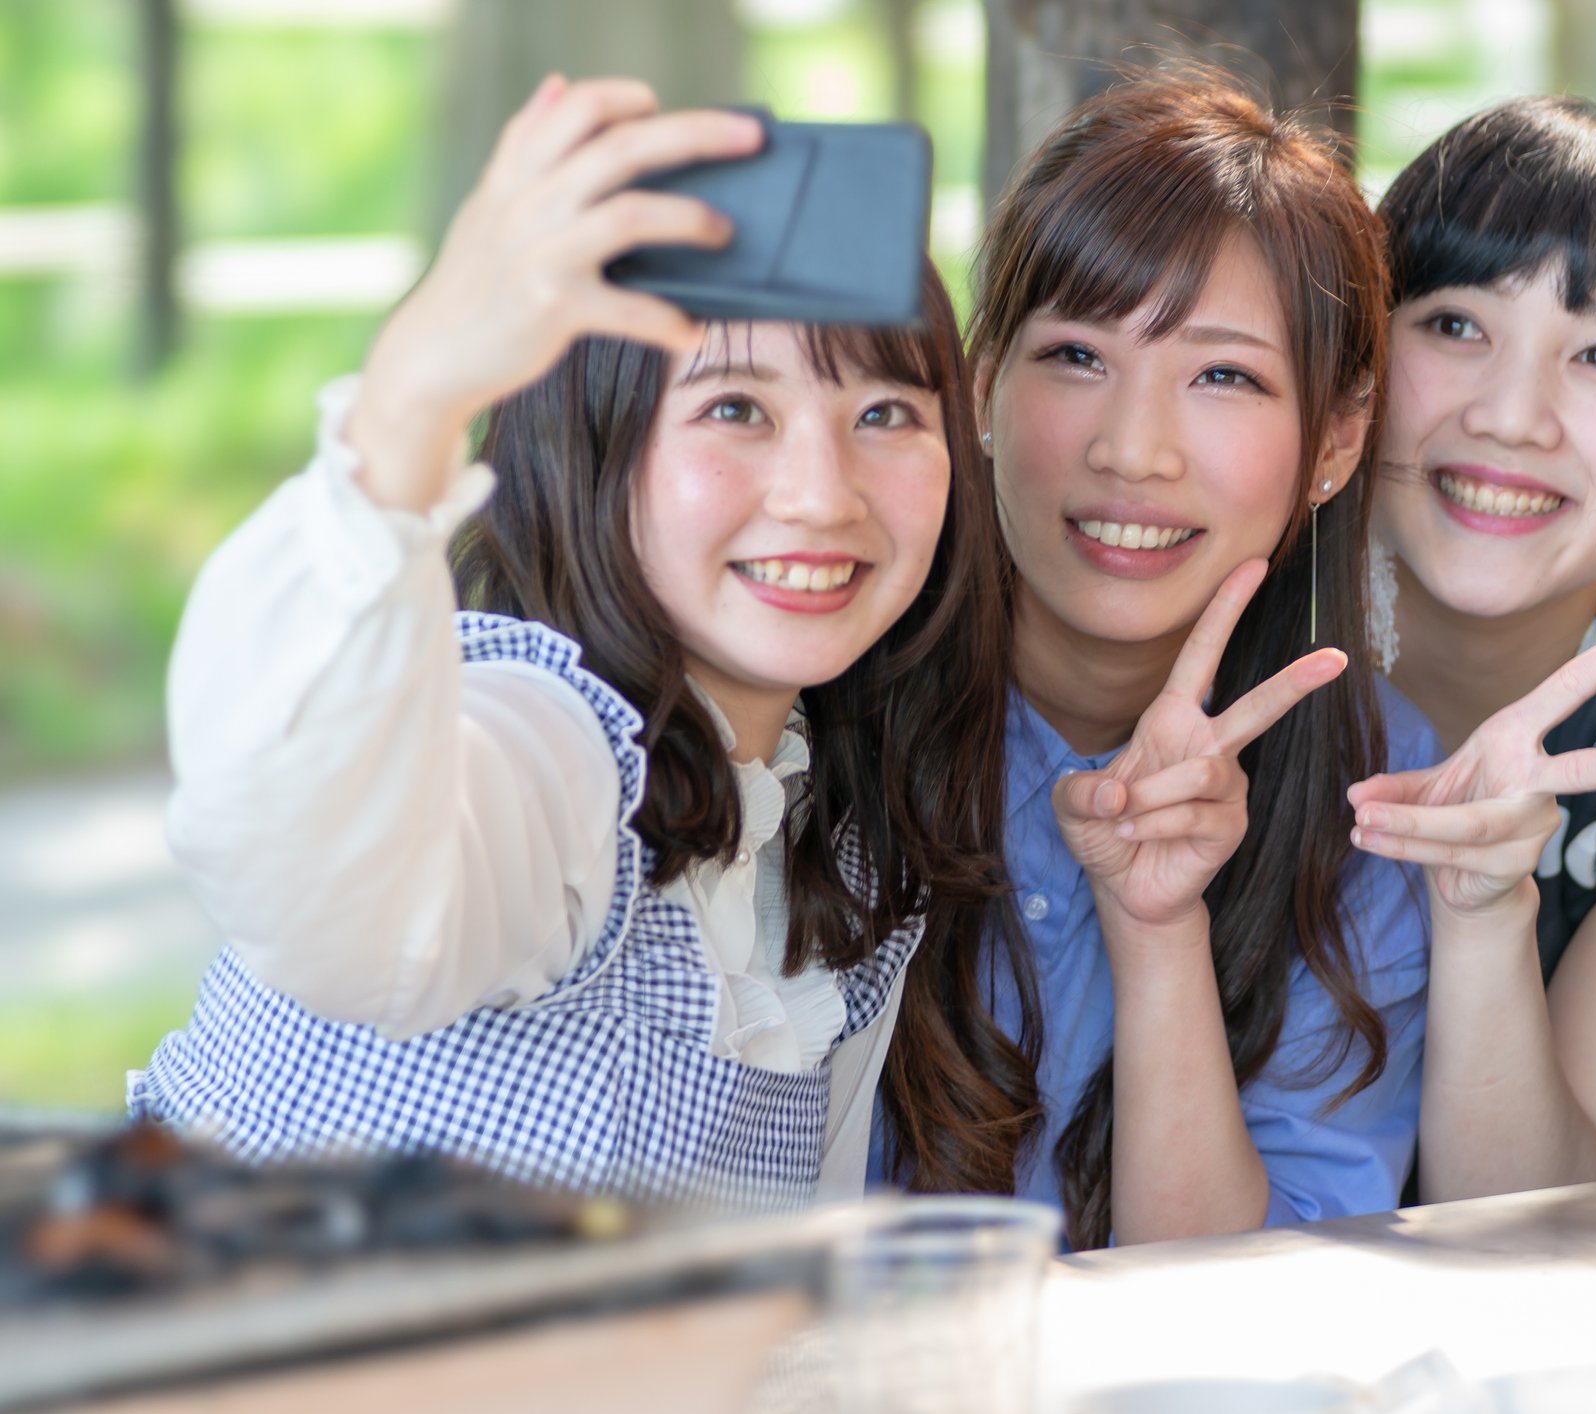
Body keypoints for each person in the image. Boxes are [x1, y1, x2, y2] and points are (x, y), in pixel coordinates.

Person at [128, 76, 1008, 1209]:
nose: (822, 494)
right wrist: (409, 405)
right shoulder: (548, 747)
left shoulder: (841, 854)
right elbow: (322, 887)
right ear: (594, 446)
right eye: (734, 408)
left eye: (885, 414)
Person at [870, 73, 1436, 1249]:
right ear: (981, 385)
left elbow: (1244, 1319)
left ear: (1335, 438)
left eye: (1223, 375)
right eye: (1077, 355)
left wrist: (1158, 923)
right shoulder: (824, 701)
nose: (1133, 448)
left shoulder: (1368, 789)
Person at [1347, 97, 1596, 1200]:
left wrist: (1483, 911)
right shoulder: (1237, 637)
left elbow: (1548, 1228)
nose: (1513, 417)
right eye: (1457, 325)